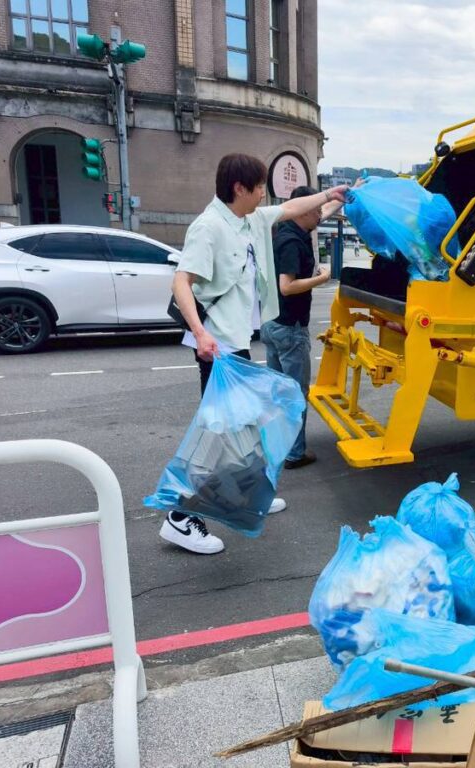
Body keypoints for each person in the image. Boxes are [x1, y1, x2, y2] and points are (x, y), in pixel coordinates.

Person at [162, 153, 348, 555]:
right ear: (239, 188)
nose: (264, 193)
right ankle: (179, 516)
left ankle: (249, 492)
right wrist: (201, 334)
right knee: (218, 433)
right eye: (259, 186)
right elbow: (182, 281)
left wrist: (328, 195)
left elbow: (291, 208)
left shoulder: (250, 220)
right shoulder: (209, 227)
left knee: (245, 426)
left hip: (237, 342)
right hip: (217, 348)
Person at [261, 184, 341, 468]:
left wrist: (340, 198)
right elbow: (287, 286)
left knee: (278, 392)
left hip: (272, 324)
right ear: (302, 211)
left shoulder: (287, 228)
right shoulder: (292, 243)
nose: (320, 215)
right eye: (315, 210)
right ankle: (295, 453)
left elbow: (323, 210)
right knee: (295, 394)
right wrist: (323, 278)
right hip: (289, 329)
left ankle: (278, 444)